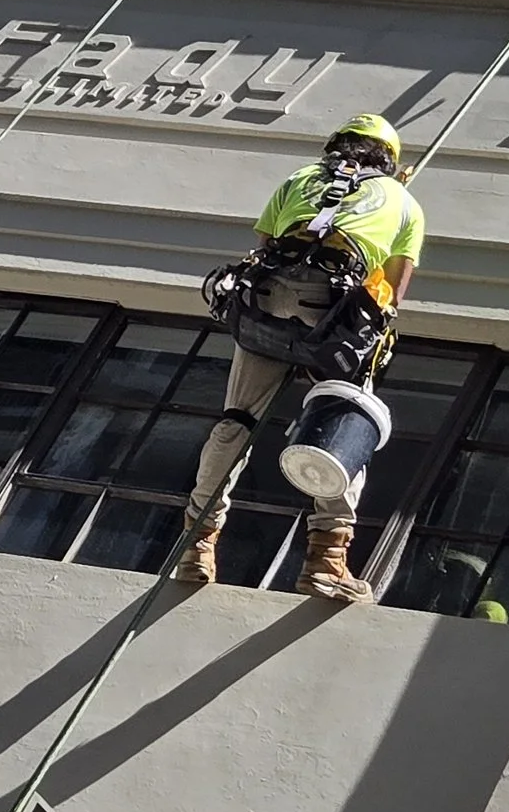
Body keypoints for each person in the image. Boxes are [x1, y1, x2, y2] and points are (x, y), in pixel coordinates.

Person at [175, 113, 424, 602]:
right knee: (342, 433)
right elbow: (392, 293)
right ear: (390, 162)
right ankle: (327, 560)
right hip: (333, 317)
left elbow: (265, 248)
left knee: (235, 422)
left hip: (265, 307)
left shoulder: (299, 179)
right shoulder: (404, 201)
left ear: (336, 148)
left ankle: (197, 545)